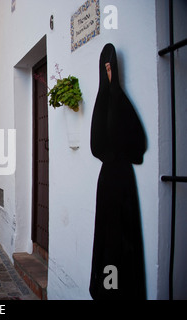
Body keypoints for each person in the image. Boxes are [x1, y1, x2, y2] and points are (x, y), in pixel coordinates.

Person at [90, 43, 147, 300]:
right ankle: (107, 288)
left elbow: (138, 144)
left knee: (123, 238)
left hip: (123, 179)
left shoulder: (120, 102)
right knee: (107, 236)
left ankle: (120, 289)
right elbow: (96, 144)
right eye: (105, 68)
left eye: (111, 66)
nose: (108, 72)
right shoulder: (101, 103)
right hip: (107, 181)